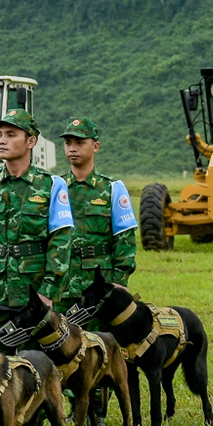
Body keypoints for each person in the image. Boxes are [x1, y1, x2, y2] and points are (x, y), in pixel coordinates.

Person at [0, 109, 73, 348]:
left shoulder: (50, 185)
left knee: (40, 369)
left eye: (11, 134)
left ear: (31, 141)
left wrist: (47, 292)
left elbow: (61, 242)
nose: (2, 140)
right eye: (0, 134)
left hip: (35, 298)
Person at [58, 117, 137, 304]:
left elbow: (125, 239)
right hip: (62, 286)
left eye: (80, 142)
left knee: (102, 334)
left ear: (95, 146)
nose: (72, 148)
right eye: (68, 143)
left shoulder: (112, 189)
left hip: (99, 285)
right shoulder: (54, 188)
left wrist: (120, 281)